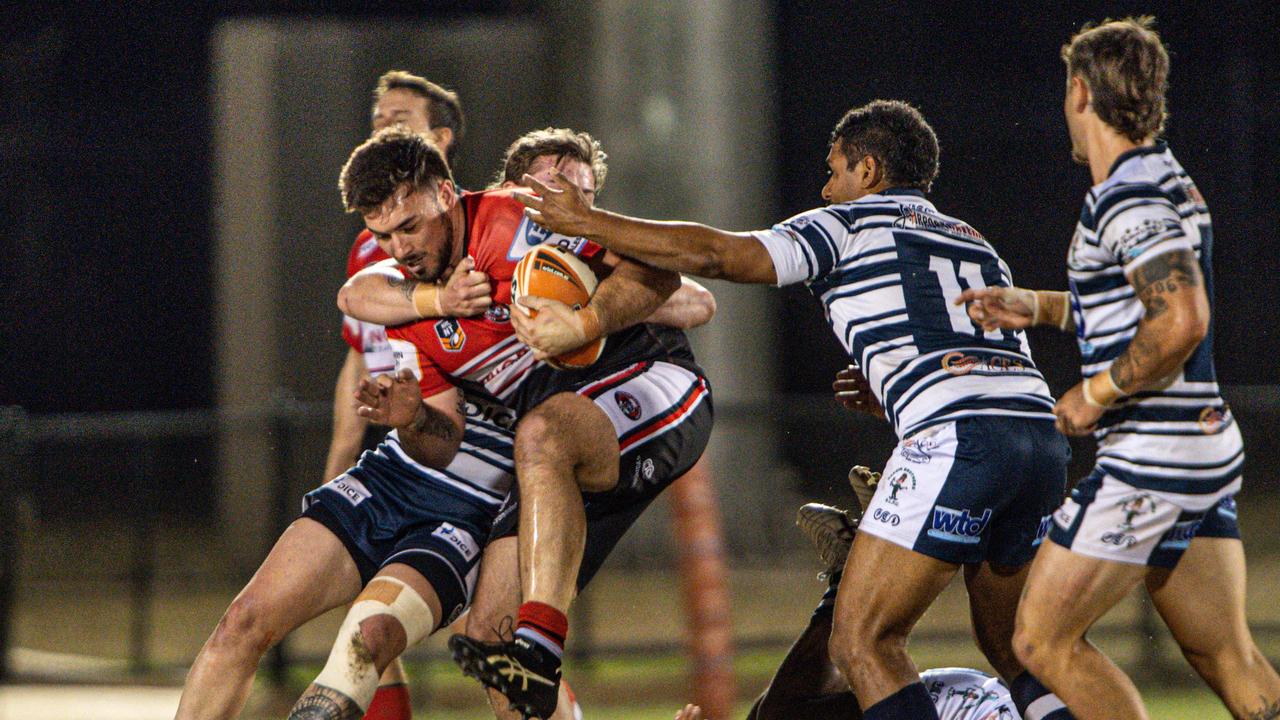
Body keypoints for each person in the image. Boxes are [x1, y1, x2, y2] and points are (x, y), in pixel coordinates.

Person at [513, 99, 1073, 720]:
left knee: (863, 642)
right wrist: (893, 386)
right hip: (1040, 439)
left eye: (834, 171)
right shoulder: (973, 241)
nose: (826, 188)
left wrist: (590, 222)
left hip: (960, 440)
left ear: (866, 169)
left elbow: (716, 256)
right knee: (1019, 650)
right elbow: (975, 353)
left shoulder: (849, 224)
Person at [959, 18, 1280, 720]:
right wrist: (1039, 307)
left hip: (1152, 457)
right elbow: (1135, 310)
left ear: (1080, 92)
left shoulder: (1127, 194)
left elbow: (1180, 317)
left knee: (1042, 641)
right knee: (1225, 655)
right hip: (1197, 449)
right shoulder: (1165, 178)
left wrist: (1095, 393)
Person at [335, 126, 713, 720]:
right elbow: (355, 295)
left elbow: (680, 287)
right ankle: (530, 653)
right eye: (386, 235)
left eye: (409, 227)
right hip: (553, 441)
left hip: (649, 384)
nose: (401, 247)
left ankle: (539, 646)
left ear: (446, 194)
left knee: (540, 435)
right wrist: (432, 329)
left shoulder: (519, 228)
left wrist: (585, 317)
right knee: (490, 636)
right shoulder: (420, 298)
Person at [320, 69, 469, 720]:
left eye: (400, 120)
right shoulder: (368, 243)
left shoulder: (478, 232)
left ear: (440, 139)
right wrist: (334, 483)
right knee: (368, 631)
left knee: (494, 641)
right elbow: (359, 361)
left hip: (471, 462)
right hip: (405, 454)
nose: (382, 128)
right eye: (377, 119)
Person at [675, 467, 1020, 720]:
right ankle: (887, 551)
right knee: (782, 714)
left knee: (779, 713)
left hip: (961, 704)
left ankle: (875, 560)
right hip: (960, 709)